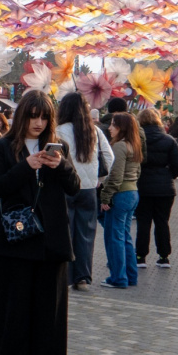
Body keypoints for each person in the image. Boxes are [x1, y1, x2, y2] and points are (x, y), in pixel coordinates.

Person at [0, 90, 81, 355]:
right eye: (33, 116)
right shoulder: (2, 147)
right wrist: (26, 166)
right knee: (12, 304)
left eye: (44, 117)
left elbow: (75, 187)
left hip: (51, 238)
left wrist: (61, 165)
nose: (38, 123)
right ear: (22, 116)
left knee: (50, 306)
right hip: (15, 236)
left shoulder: (59, 147)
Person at [57, 93, 112, 290]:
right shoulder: (94, 131)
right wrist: (99, 180)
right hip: (88, 189)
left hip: (66, 187)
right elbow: (109, 157)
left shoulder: (59, 131)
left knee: (66, 233)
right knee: (86, 234)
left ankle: (66, 276)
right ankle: (83, 277)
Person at [100, 112, 143, 288]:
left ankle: (118, 278)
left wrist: (105, 197)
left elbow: (116, 176)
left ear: (121, 128)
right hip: (132, 192)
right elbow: (138, 172)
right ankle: (131, 276)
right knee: (125, 236)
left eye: (113, 125)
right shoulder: (134, 145)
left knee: (114, 237)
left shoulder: (119, 146)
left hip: (120, 194)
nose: (110, 128)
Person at [135, 108, 178, 268]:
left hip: (142, 185)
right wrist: (169, 176)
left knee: (143, 222)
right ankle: (164, 256)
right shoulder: (169, 140)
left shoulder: (136, 140)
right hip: (165, 188)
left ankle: (140, 256)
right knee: (162, 222)